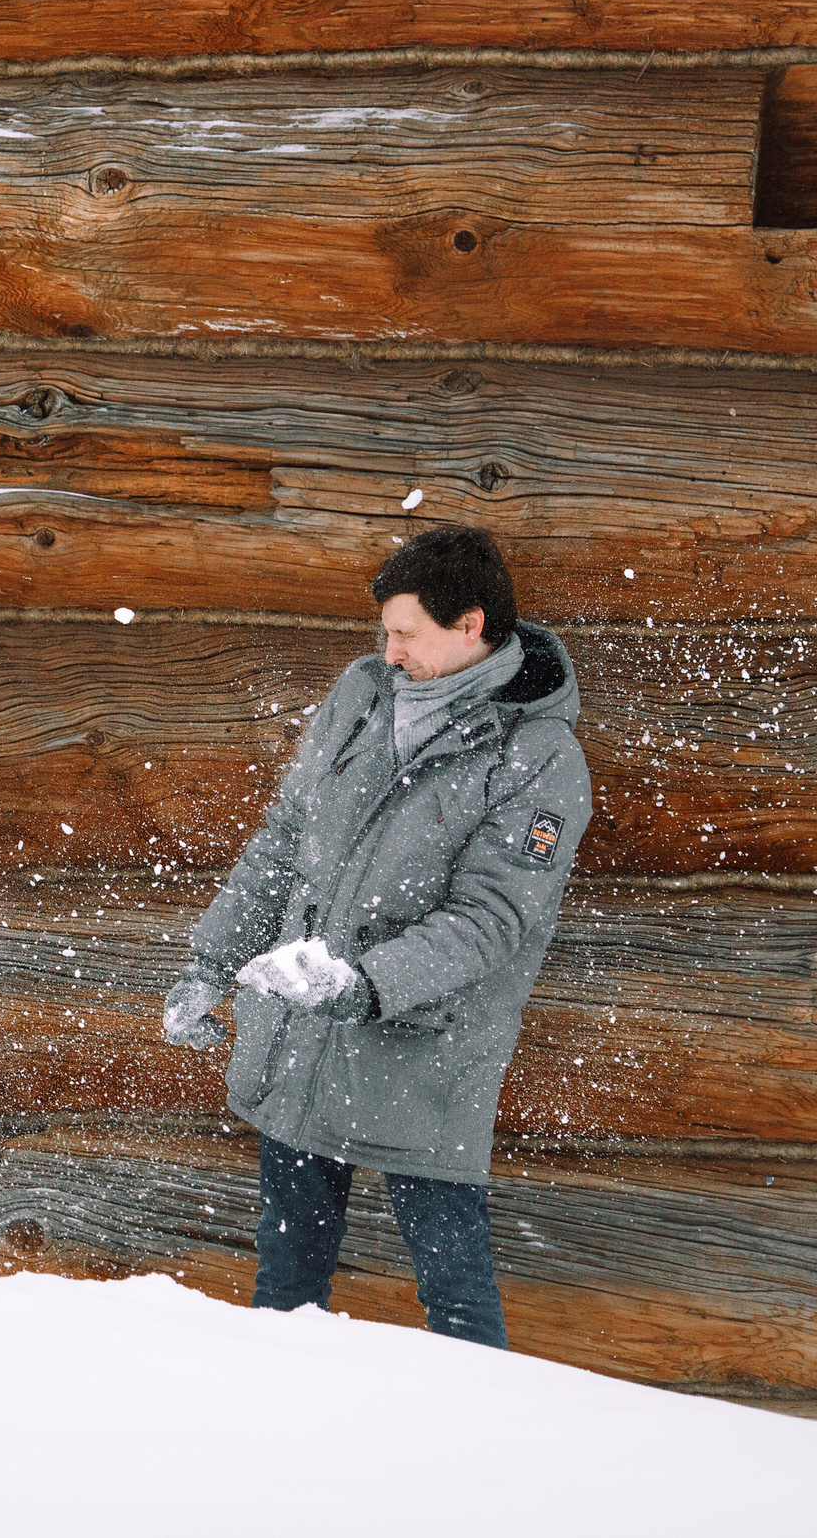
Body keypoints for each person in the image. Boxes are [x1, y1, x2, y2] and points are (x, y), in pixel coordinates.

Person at [161, 525, 591, 1348]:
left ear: (471, 625)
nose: (388, 651)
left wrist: (363, 985)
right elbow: (286, 838)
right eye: (385, 631)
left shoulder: (538, 757)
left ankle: (480, 1459)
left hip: (423, 1057)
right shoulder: (362, 693)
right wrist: (209, 964)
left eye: (406, 633)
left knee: (454, 1294)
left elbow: (490, 920)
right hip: (300, 1041)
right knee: (286, 1290)